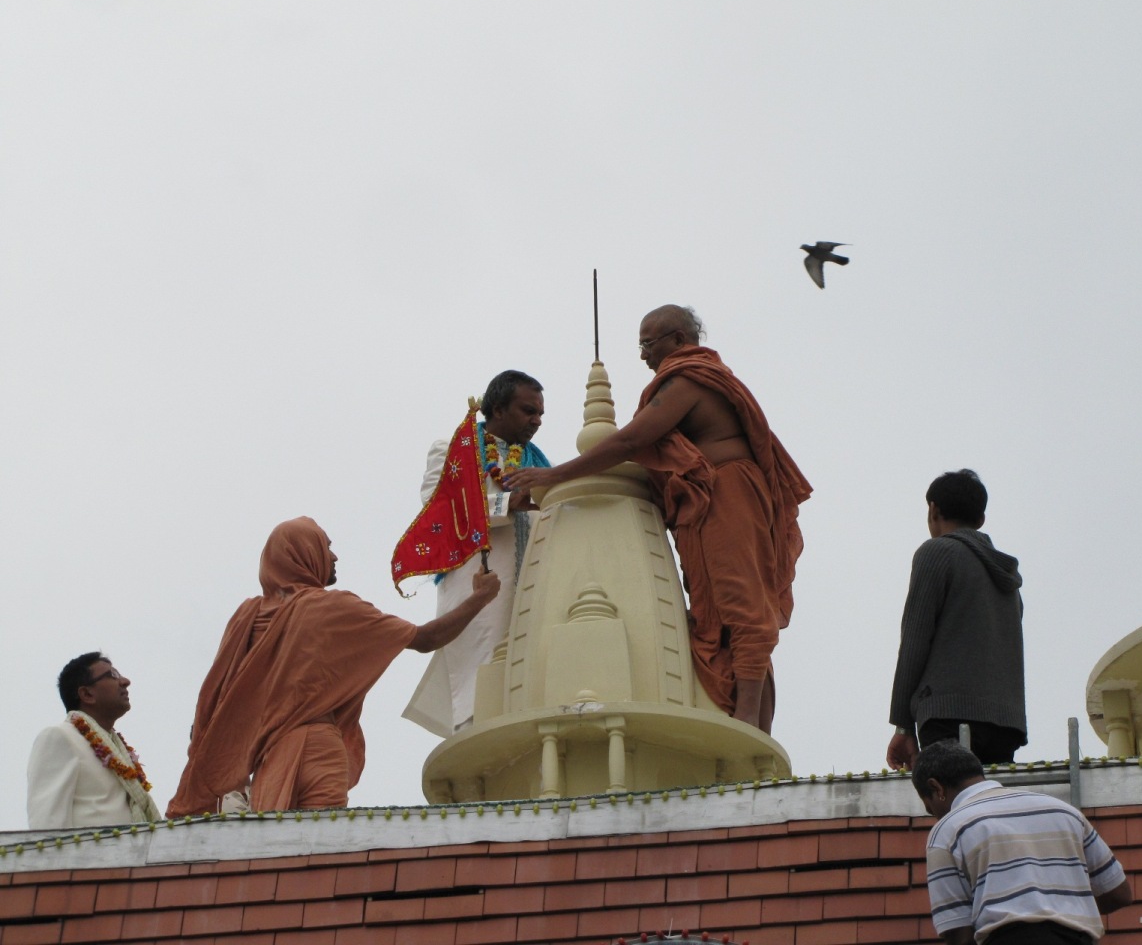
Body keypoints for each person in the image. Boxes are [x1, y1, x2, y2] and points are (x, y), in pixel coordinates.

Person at [504, 305, 810, 732]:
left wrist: (555, 475)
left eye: (649, 344)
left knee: (742, 603)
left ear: (680, 341)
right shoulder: (680, 381)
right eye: (641, 346)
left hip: (728, 492)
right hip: (703, 501)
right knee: (714, 612)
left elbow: (632, 440)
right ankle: (742, 716)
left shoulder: (688, 380)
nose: (644, 355)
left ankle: (748, 722)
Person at [166, 516, 499, 816]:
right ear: (304, 553)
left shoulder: (246, 617)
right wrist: (480, 598)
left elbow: (215, 698)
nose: (335, 556)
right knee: (315, 855)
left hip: (267, 761)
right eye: (326, 546)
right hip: (316, 747)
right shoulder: (332, 607)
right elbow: (426, 638)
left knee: (275, 862)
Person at [404, 369, 548, 736]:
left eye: (540, 414)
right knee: (478, 667)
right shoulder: (454, 448)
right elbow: (437, 508)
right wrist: (505, 505)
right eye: (528, 410)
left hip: (533, 575)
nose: (537, 420)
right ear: (497, 409)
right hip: (475, 576)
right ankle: (474, 744)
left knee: (532, 664)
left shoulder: (537, 461)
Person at [913, 740, 1132, 944]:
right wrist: (1068, 906)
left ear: (936, 788)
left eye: (930, 808)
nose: (936, 816)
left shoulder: (948, 829)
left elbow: (959, 934)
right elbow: (1119, 893)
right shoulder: (1063, 810)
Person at [887, 469, 1025, 771]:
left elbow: (914, 641)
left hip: (949, 715)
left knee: (953, 809)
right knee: (987, 809)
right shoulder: (1009, 581)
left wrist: (902, 725)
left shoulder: (937, 552)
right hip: (1006, 725)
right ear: (981, 519)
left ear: (933, 510)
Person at [27, 653, 161, 829]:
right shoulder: (59, 737)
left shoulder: (118, 748)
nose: (125, 681)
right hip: (89, 855)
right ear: (87, 694)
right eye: (112, 675)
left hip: (134, 853)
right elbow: (46, 827)